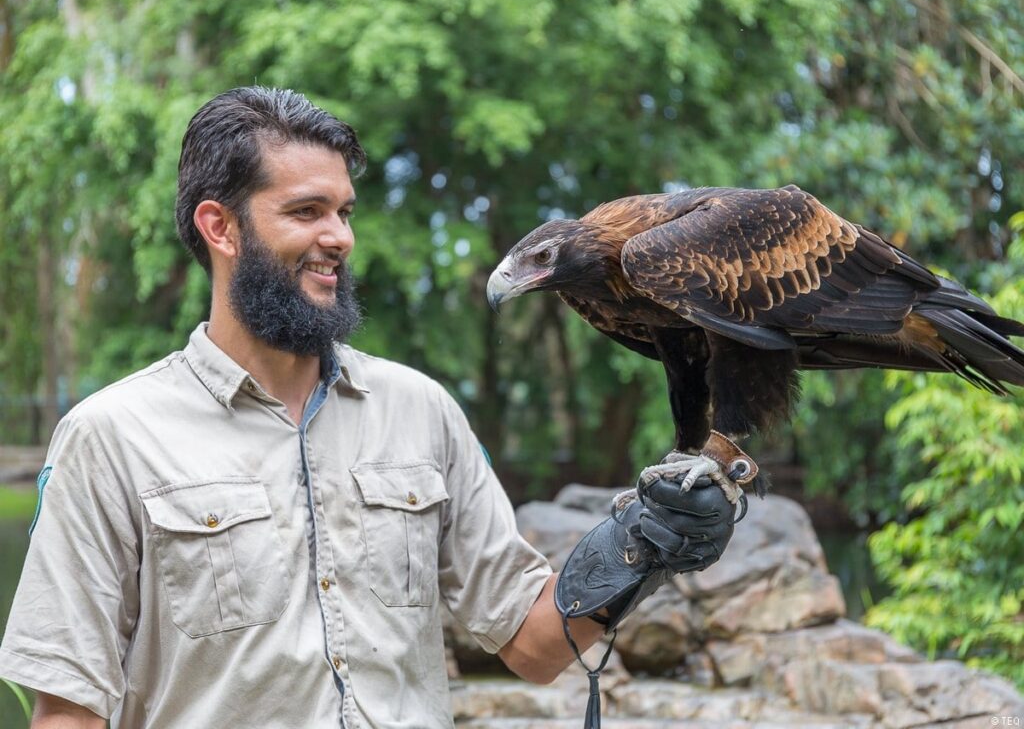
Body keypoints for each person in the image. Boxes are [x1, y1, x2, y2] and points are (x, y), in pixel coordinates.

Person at [0, 87, 736, 728]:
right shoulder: (111, 436)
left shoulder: (422, 412)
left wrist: (642, 543)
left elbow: (536, 645)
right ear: (219, 227)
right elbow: (67, 710)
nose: (339, 238)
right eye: (307, 211)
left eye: (345, 211)